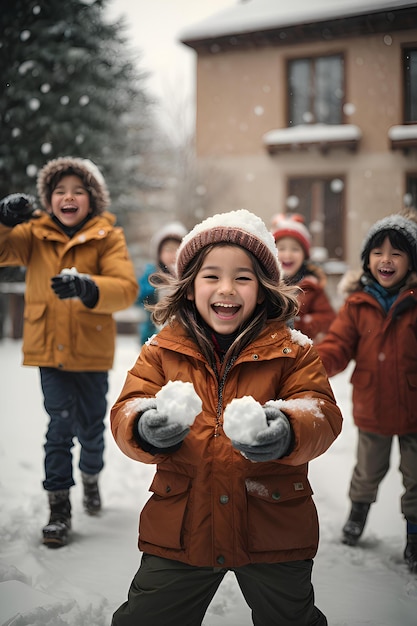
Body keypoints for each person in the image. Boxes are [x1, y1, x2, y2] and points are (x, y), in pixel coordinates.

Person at [110, 208, 343, 626]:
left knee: (290, 618)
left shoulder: (294, 350)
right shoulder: (161, 350)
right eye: (212, 276)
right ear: (190, 286)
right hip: (184, 525)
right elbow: (127, 406)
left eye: (243, 277)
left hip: (272, 524)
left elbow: (321, 411)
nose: (227, 288)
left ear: (263, 288)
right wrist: (144, 426)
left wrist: (288, 428)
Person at [0, 156, 138, 548]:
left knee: (92, 430)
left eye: (78, 190)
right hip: (50, 354)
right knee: (59, 426)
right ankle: (59, 507)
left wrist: (87, 287)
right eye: (60, 191)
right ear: (49, 198)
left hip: (91, 353)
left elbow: (124, 287)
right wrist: (5, 220)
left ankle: (91, 477)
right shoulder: (33, 234)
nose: (68, 197)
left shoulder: (107, 236)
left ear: (92, 199)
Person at [316, 213, 417, 573]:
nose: (385, 260)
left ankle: (414, 534)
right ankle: (358, 512)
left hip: (414, 412)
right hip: (372, 406)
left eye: (397, 253)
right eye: (377, 252)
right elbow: (338, 345)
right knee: (367, 472)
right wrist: (314, 364)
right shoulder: (357, 304)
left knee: (416, 477)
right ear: (366, 260)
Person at [273, 214, 336, 344]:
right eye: (282, 248)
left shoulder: (311, 287)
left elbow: (329, 320)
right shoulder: (267, 285)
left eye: (295, 249)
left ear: (304, 256)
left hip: (301, 353)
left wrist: (301, 323)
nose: (288, 254)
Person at [136, 221, 187, 344]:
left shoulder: (189, 277)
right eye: (168, 249)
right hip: (152, 335)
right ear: (159, 254)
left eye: (177, 249)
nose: (173, 254)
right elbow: (139, 298)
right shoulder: (151, 276)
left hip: (182, 338)